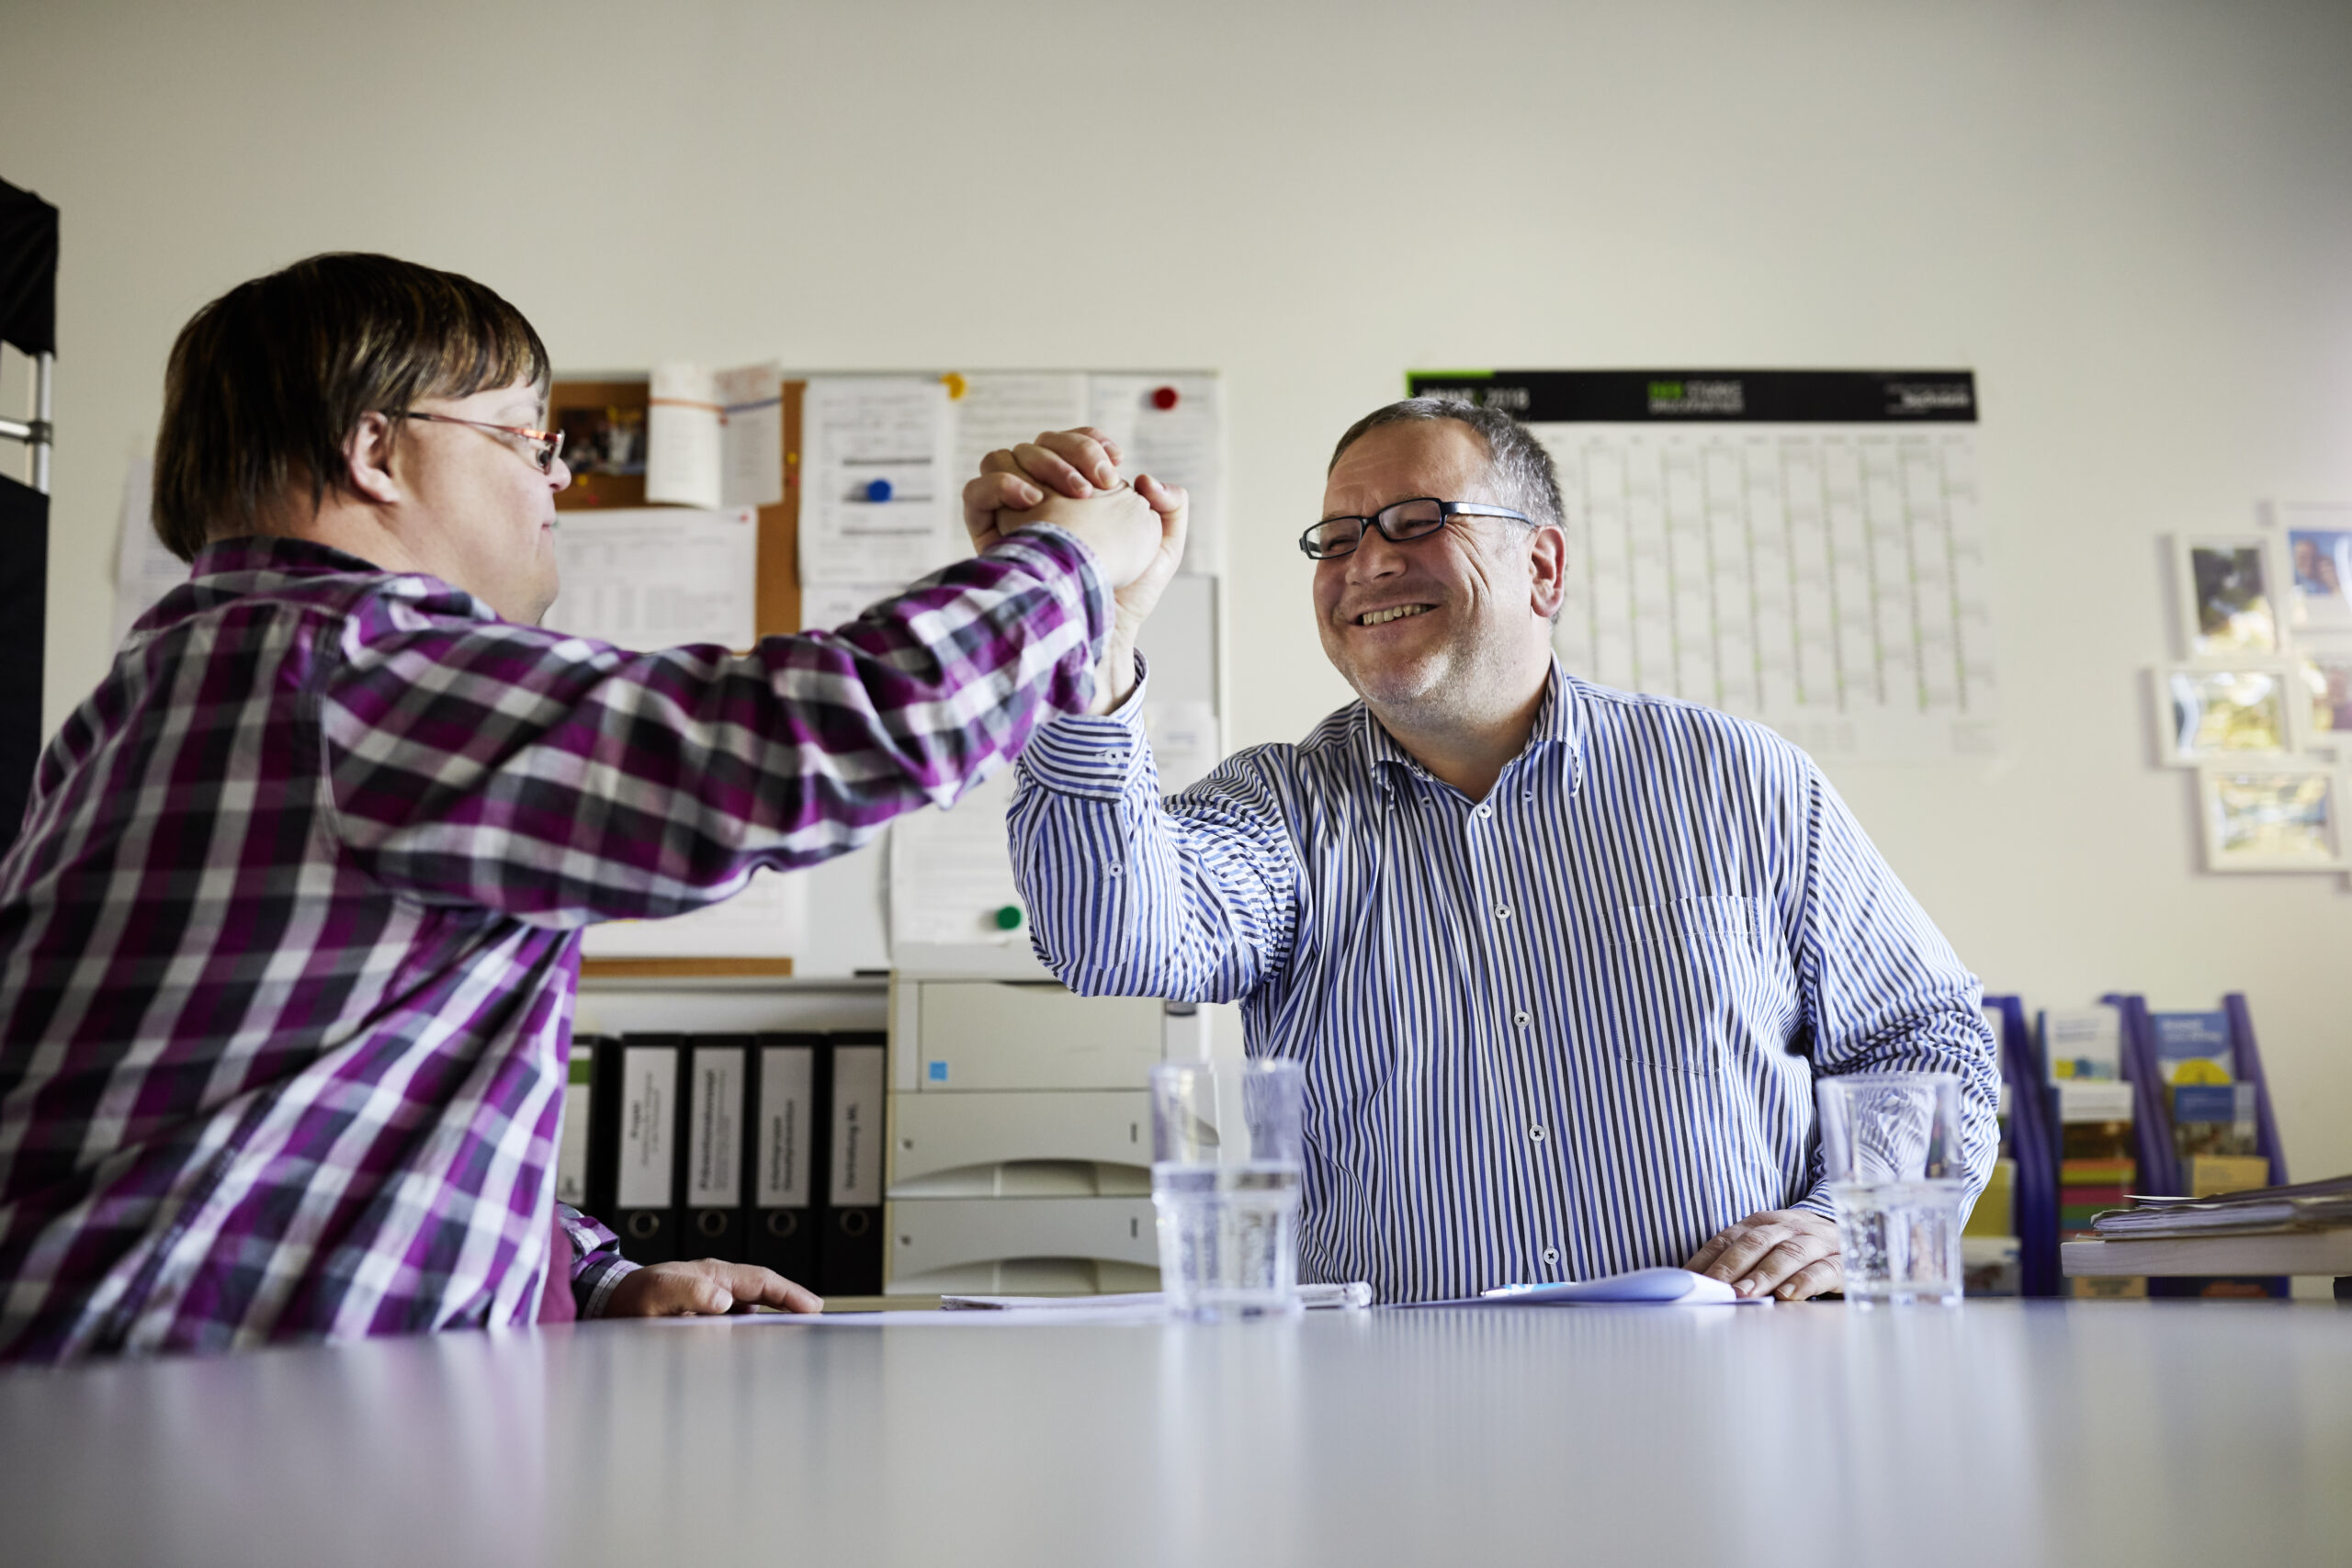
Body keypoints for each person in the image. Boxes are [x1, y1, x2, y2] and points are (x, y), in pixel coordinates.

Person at [0, 253, 1176, 1360]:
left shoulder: (163, 693)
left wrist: (589, 1276)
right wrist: (1067, 561)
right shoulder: (353, 667)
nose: (557, 477)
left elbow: (321, 1112)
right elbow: (803, 741)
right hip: (192, 1438)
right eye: (525, 437)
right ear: (373, 448)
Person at [979, 399, 1999, 1304]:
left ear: (1541, 566)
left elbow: (1925, 1039)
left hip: (1735, 1391)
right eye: (1336, 538)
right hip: (1398, 1425)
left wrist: (1838, 1223)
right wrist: (1091, 631)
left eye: (1417, 522)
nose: (1369, 561)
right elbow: (1112, 941)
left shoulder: (1739, 780)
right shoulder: (1280, 806)